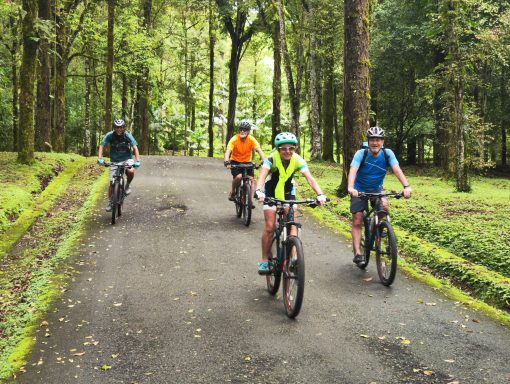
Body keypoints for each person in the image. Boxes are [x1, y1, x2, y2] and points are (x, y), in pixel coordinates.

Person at [254, 132, 327, 274]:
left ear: (294, 149)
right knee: (269, 226)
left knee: (292, 222)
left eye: (291, 148)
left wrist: (320, 194)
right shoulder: (271, 158)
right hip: (270, 192)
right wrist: (258, 191)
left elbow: (310, 179)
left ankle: (294, 256)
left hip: (288, 192)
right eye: (284, 148)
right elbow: (262, 176)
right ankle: (264, 260)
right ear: (278, 149)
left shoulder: (298, 160)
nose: (288, 151)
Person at [347, 126, 412, 264]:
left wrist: (406, 186)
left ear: (382, 142)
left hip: (377, 189)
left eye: (378, 140)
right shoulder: (361, 154)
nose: (375, 143)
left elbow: (396, 169)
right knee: (357, 219)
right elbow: (353, 170)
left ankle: (376, 225)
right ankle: (358, 253)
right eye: (372, 140)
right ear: (368, 142)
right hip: (359, 189)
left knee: (385, 207)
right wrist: (351, 188)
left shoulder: (388, 154)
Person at [97, 119, 141, 211]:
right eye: (117, 127)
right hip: (114, 161)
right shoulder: (110, 135)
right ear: (114, 127)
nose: (119, 129)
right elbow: (101, 145)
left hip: (126, 159)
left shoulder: (127, 136)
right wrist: (100, 158)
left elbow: (135, 147)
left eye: (121, 127)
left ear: (124, 128)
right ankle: (110, 202)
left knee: (131, 171)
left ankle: (127, 186)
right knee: (111, 183)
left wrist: (137, 161)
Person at [224, 120, 266, 202]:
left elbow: (259, 150)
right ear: (239, 130)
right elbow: (228, 151)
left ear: (248, 131)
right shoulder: (234, 139)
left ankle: (250, 200)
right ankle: (233, 191)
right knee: (239, 177)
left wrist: (264, 160)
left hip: (247, 162)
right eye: (241, 129)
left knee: (251, 179)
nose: (242, 131)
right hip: (235, 161)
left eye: (245, 130)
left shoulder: (251, 139)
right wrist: (226, 161)